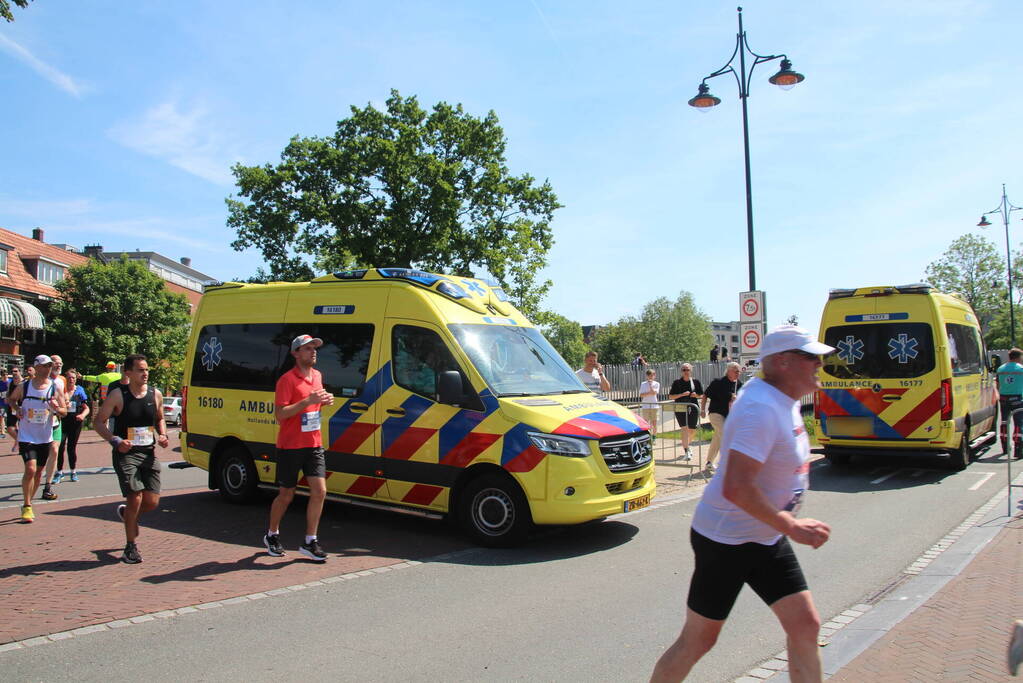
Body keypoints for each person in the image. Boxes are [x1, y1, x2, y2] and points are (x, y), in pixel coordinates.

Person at [650, 326, 834, 683]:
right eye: (811, 357)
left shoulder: (782, 398)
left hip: (765, 536)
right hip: (727, 541)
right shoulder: (760, 409)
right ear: (783, 362)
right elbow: (737, 486)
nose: (819, 364)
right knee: (698, 640)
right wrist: (792, 526)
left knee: (805, 625)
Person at [263, 335, 334, 562]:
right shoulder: (287, 380)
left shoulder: (318, 376)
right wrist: (306, 401)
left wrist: (323, 400)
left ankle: (309, 541)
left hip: (313, 443)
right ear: (295, 353)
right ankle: (272, 534)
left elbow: (314, 402)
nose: (313, 352)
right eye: (307, 348)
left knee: (320, 491)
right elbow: (280, 415)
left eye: (315, 348)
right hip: (290, 445)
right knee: (286, 495)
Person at [93, 354, 170, 564]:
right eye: (140, 370)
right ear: (128, 372)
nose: (145, 374)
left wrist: (162, 435)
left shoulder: (156, 394)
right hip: (126, 454)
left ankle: (127, 513)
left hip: (148, 452)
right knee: (135, 496)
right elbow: (98, 422)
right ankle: (130, 547)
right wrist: (116, 440)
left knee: (152, 502)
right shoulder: (118, 395)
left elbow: (160, 418)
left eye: (147, 370)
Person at [8, 355, 67, 522]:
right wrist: (17, 409)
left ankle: (29, 502)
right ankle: (26, 505)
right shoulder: (24, 386)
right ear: (36, 367)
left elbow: (64, 411)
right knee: (31, 468)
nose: (48, 368)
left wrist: (56, 409)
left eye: (49, 366)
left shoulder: (54, 388)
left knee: (39, 471)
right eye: (44, 366)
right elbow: (11, 400)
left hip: (45, 436)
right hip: (26, 435)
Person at [700, 362, 744, 473]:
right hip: (716, 413)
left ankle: (709, 462)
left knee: (718, 438)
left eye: (739, 371)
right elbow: (705, 395)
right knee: (725, 434)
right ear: (729, 371)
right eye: (736, 371)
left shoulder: (739, 384)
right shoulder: (718, 382)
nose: (738, 373)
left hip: (730, 416)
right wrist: (702, 409)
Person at [57, 368, 89, 482]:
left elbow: (86, 408)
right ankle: (59, 472)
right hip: (63, 422)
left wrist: (82, 416)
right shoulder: (61, 390)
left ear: (76, 379)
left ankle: (73, 471)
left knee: (71, 448)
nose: (71, 380)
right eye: (69, 378)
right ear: (66, 379)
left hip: (75, 422)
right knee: (60, 447)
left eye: (73, 378)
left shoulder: (79, 390)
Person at [40, 355, 66, 497]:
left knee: (55, 450)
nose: (58, 365)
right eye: (56, 363)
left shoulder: (62, 381)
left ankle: (47, 486)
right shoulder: (39, 381)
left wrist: (64, 405)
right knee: (40, 455)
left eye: (60, 363)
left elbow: (64, 398)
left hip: (56, 421)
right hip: (39, 423)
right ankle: (36, 475)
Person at [668, 364, 703, 462]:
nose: (685, 371)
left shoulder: (695, 382)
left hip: (693, 407)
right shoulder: (677, 382)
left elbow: (701, 394)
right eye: (683, 370)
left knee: (692, 429)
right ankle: (686, 450)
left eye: (687, 369)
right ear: (681, 371)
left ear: (691, 370)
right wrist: (682, 394)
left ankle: (687, 445)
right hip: (680, 407)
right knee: (684, 428)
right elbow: (671, 397)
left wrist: (696, 395)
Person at [996, 348, 1023, 458]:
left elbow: (997, 384)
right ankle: (1018, 448)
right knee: (1019, 423)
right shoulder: (1021, 369)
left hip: (1003, 399)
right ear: (1017, 357)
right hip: (1017, 398)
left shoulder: (1001, 369)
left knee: (1004, 422)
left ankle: (1004, 446)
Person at [639, 369, 661, 438]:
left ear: (654, 376)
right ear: (647, 376)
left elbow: (654, 393)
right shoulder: (643, 384)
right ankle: (647, 437)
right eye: (649, 375)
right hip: (645, 406)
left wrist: (650, 385)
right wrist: (649, 393)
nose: (651, 377)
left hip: (654, 406)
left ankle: (654, 437)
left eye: (652, 375)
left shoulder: (657, 384)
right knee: (645, 423)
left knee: (654, 423)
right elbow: (641, 395)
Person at [6, 366, 23, 451]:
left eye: (16, 371)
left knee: (22, 427)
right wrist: (7, 398)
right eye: (12, 371)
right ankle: (18, 440)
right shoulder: (10, 382)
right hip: (12, 406)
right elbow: (8, 393)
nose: (14, 373)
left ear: (20, 372)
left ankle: (22, 445)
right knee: (9, 428)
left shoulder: (24, 382)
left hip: (22, 407)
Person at [0, 367, 9, 437]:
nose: (5, 376)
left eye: (6, 375)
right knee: (2, 417)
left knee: (13, 416)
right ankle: (3, 432)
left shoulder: (10, 382)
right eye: (4, 375)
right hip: (2, 402)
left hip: (11, 403)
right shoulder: (0, 383)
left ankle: (16, 430)